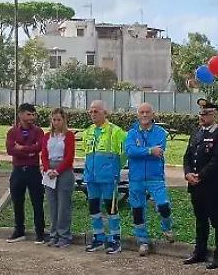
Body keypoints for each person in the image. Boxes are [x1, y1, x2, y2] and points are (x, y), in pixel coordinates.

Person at [183, 98, 218, 268]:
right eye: (200, 113)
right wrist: (188, 173)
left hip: (211, 186)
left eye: (206, 113)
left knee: (217, 221)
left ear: (214, 115)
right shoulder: (196, 133)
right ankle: (199, 252)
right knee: (200, 220)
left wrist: (200, 176)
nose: (202, 116)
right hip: (195, 186)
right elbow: (187, 156)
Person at [124, 103, 175, 256]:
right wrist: (149, 150)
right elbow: (130, 151)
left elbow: (159, 151)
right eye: (141, 112)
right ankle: (143, 241)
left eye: (147, 112)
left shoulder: (160, 133)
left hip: (155, 177)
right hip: (136, 178)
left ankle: (167, 228)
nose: (144, 115)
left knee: (163, 205)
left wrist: (145, 152)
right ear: (138, 115)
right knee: (138, 210)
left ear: (153, 114)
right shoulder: (132, 133)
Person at [81, 100, 126, 254]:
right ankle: (98, 238)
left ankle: (115, 240)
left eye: (96, 111)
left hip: (108, 178)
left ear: (104, 113)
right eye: (91, 111)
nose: (93, 114)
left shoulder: (116, 131)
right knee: (93, 208)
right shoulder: (88, 131)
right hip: (91, 178)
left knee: (111, 208)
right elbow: (86, 153)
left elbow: (126, 152)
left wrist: (116, 167)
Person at [5, 103, 46, 243]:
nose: (32, 117)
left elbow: (39, 147)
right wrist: (29, 150)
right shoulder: (12, 132)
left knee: (37, 202)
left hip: (33, 170)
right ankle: (19, 231)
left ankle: (40, 232)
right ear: (20, 115)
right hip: (18, 171)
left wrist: (21, 148)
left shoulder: (38, 131)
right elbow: (10, 150)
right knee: (17, 201)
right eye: (28, 114)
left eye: (33, 114)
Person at [41, 107, 76, 248]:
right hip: (49, 170)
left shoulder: (68, 136)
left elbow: (69, 156)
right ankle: (53, 234)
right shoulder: (47, 136)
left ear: (64, 120)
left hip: (64, 171)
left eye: (59, 120)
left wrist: (58, 170)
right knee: (52, 204)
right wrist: (47, 168)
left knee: (63, 205)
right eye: (54, 120)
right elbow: (43, 154)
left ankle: (64, 235)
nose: (56, 122)